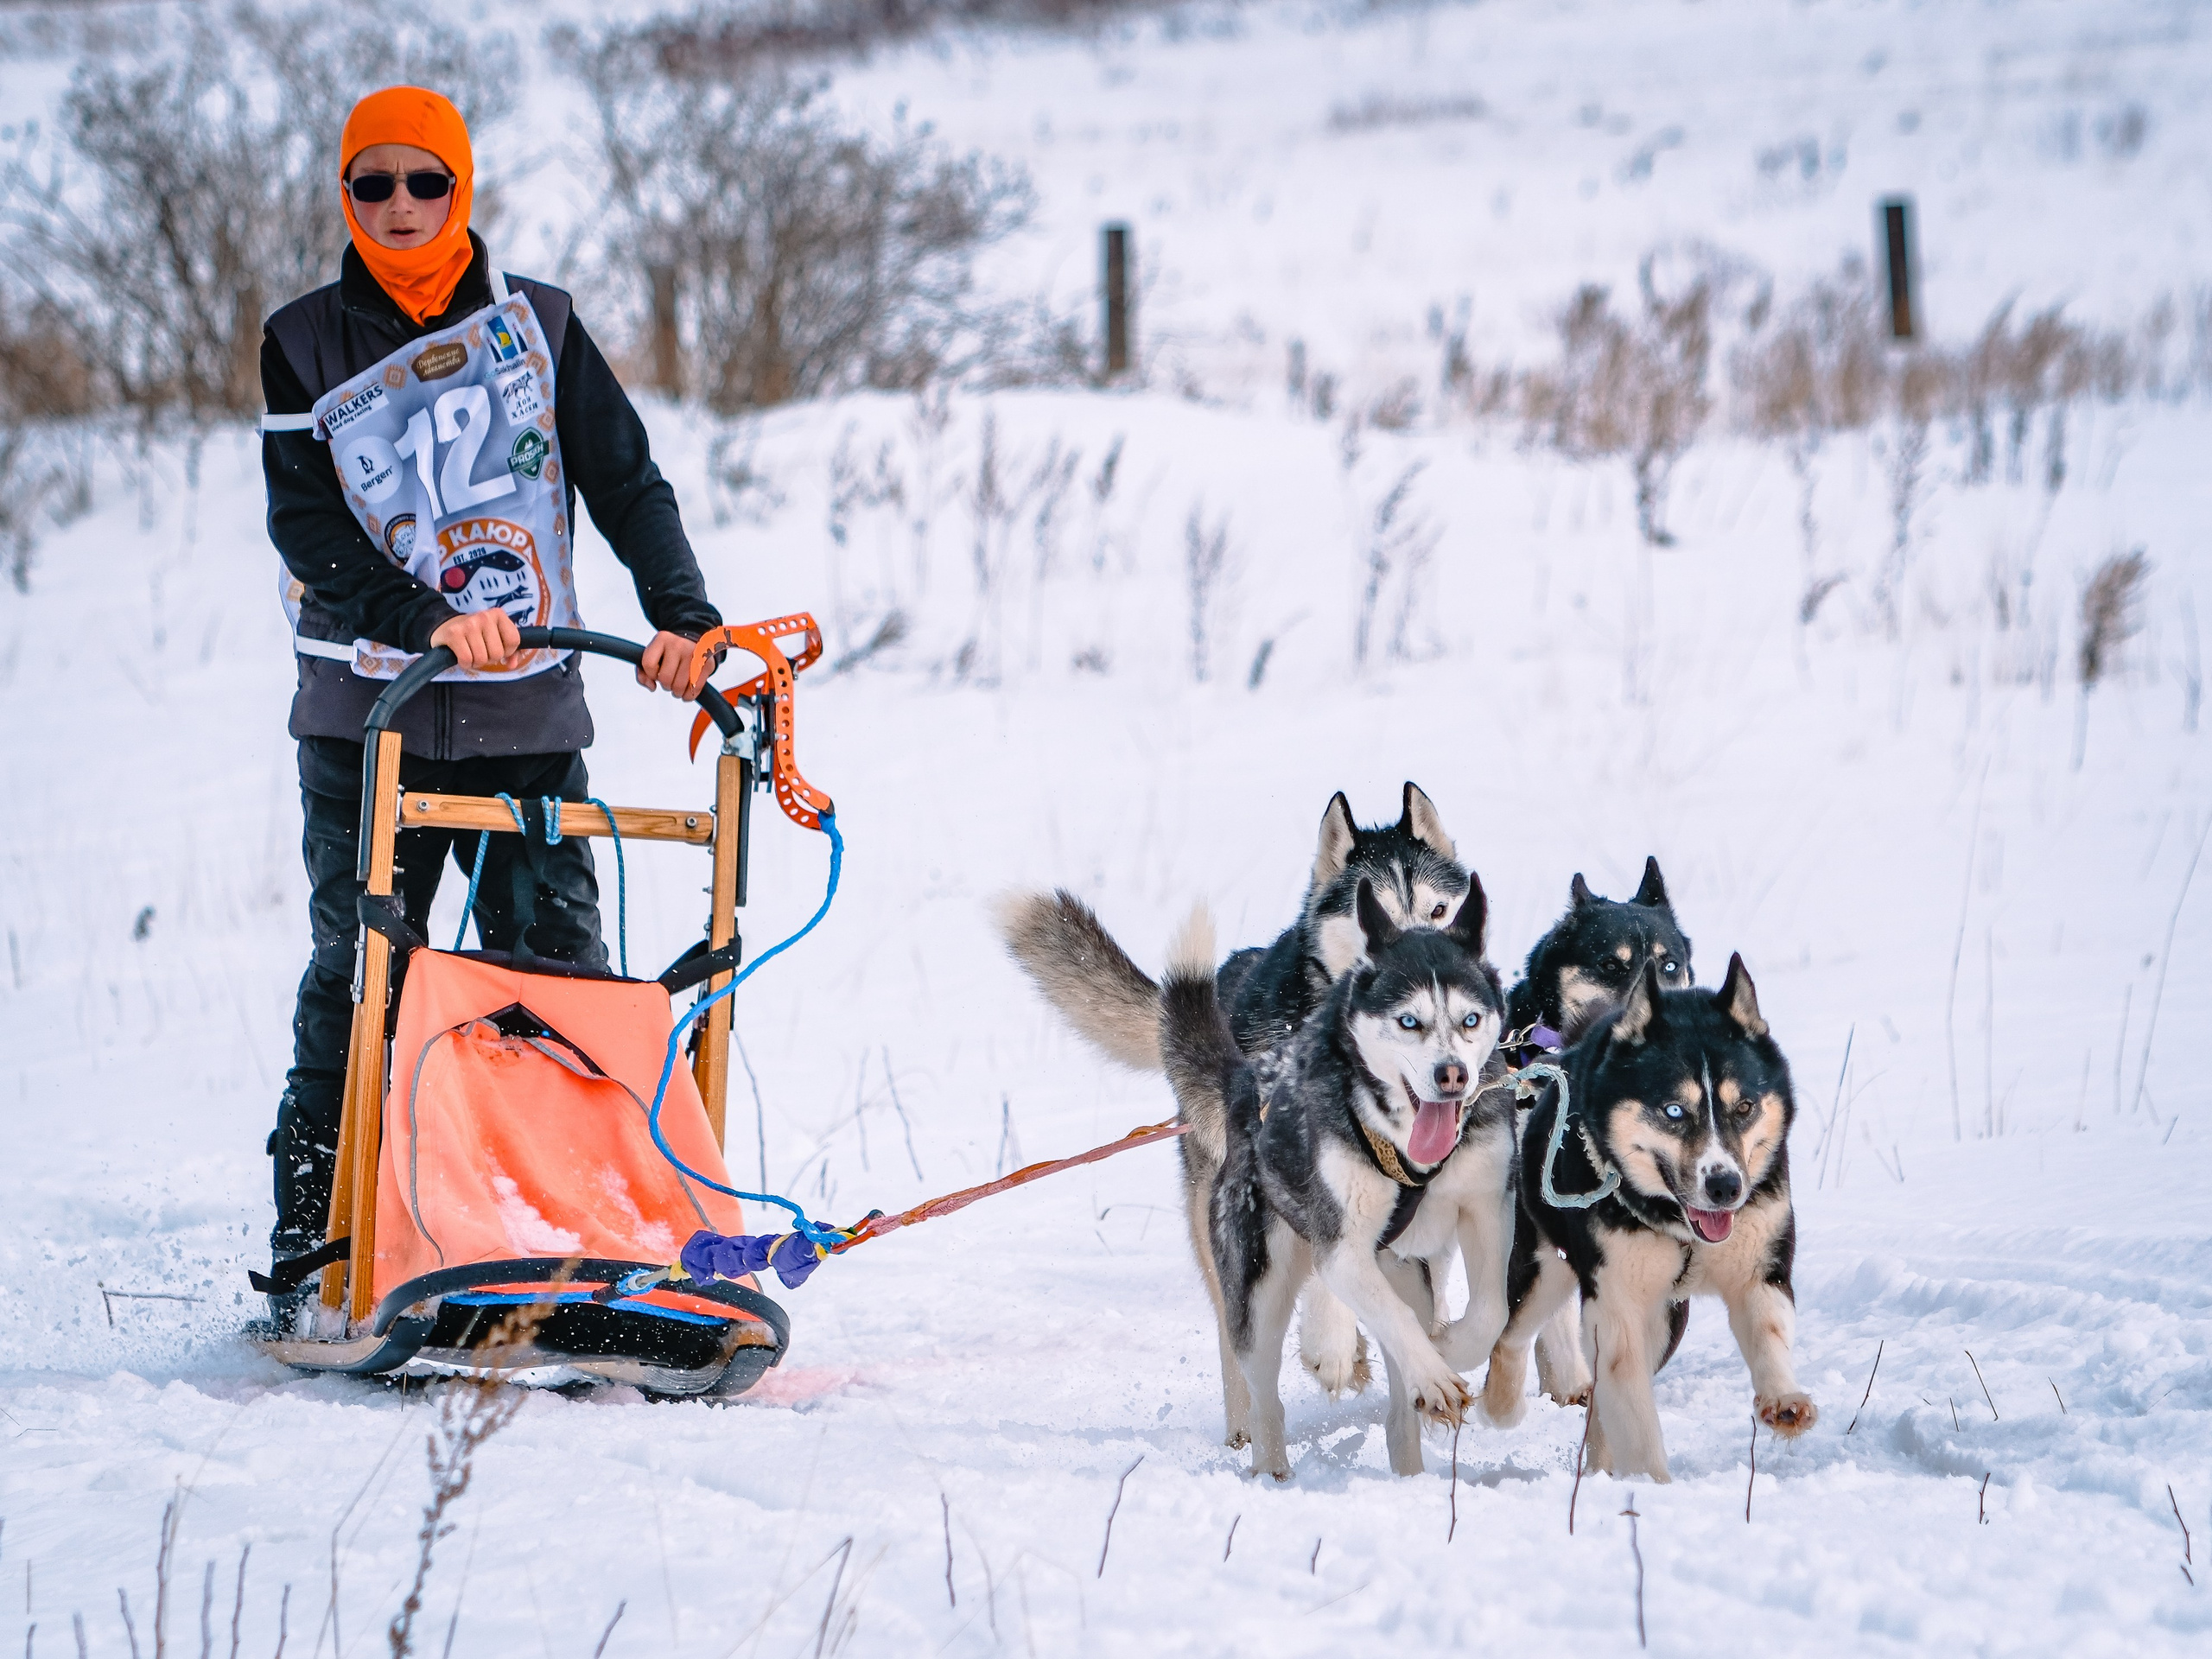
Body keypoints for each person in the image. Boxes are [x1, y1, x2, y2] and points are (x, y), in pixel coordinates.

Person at [257, 86, 721, 1325]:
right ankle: (320, 1255)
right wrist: (423, 618)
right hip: (369, 719)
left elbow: (625, 481)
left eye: (428, 184)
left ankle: (579, 1239)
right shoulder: (301, 341)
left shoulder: (542, 327)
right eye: (374, 185)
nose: (401, 207)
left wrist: (682, 615)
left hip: (525, 719)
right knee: (363, 977)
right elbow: (305, 521)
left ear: (466, 191)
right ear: (345, 197)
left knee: (558, 981)